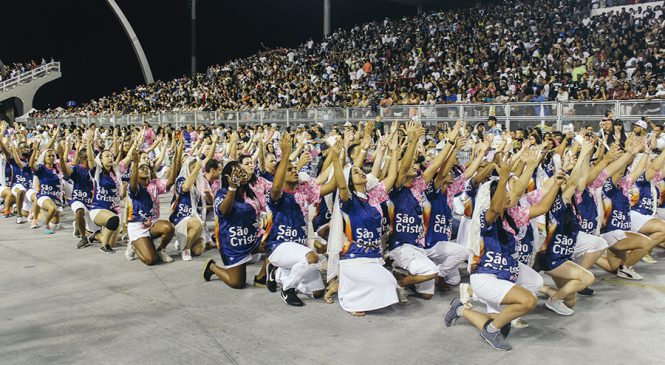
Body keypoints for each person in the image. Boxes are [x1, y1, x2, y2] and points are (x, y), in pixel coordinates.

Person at [263, 133, 337, 306]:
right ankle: (287, 289)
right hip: (278, 245)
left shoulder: (304, 190)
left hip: (298, 246)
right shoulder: (275, 194)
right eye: (289, 170)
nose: (294, 171)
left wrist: (337, 156)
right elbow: (276, 187)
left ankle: (279, 273)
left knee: (318, 292)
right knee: (312, 257)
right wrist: (285, 154)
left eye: (295, 169)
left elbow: (332, 185)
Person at [202, 161, 260, 288]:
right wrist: (232, 187)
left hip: (252, 239)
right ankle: (212, 267)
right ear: (228, 178)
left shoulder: (250, 192)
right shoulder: (221, 193)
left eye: (242, 172)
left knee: (275, 243)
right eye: (237, 173)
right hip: (233, 244)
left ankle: (263, 277)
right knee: (238, 283)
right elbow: (223, 211)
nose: (242, 175)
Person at [86, 137, 122, 253]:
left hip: (111, 210)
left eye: (111, 156)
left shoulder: (115, 173)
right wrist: (88, 145)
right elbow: (90, 160)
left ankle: (96, 235)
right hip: (97, 209)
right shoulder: (97, 171)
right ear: (100, 160)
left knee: (113, 243)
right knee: (114, 220)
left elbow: (127, 158)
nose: (110, 157)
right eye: (107, 156)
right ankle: (103, 246)